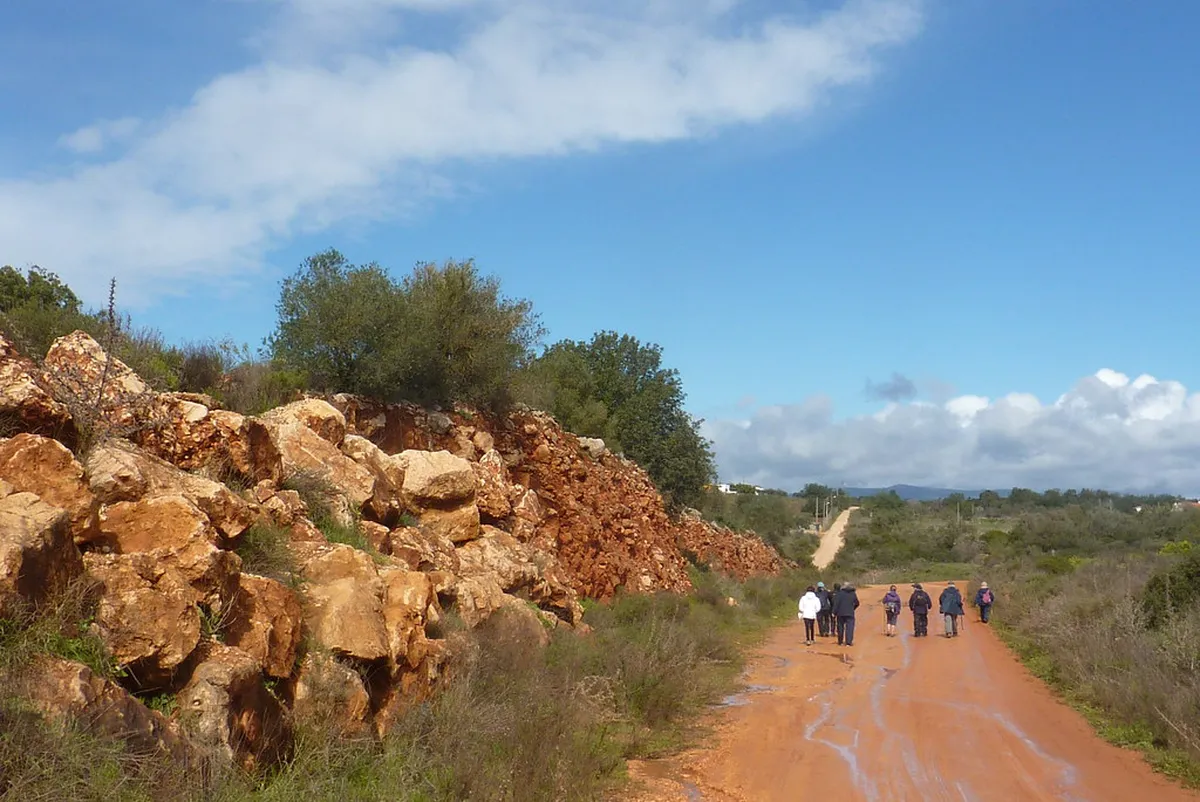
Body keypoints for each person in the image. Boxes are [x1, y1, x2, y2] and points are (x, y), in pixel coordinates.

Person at [832, 581, 860, 646]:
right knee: (850, 628)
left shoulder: (839, 593)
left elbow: (836, 603)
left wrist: (834, 612)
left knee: (840, 627)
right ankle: (848, 642)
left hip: (840, 613)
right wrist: (852, 608)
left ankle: (840, 641)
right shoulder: (853, 593)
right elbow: (857, 603)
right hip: (850, 613)